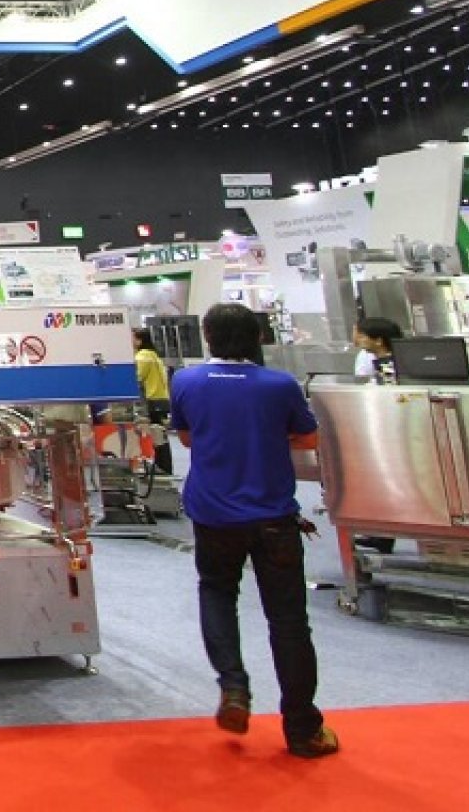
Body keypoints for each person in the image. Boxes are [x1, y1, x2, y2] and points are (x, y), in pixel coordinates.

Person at [169, 303, 338, 760]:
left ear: (207, 336)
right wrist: (266, 435)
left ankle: (234, 686)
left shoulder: (186, 381)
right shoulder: (279, 385)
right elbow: (308, 438)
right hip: (272, 516)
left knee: (217, 593)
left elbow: (187, 437)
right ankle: (302, 729)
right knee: (288, 620)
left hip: (213, 513)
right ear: (258, 337)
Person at [132, 329, 173, 475]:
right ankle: (164, 466)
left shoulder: (142, 356)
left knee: (157, 434)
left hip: (152, 399)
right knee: (160, 435)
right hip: (162, 398)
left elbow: (136, 377)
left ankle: (163, 467)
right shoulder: (155, 356)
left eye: (133, 338)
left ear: (140, 340)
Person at [352, 316, 402, 381]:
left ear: (378, 341)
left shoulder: (386, 363)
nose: (359, 341)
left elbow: (388, 384)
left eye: (362, 337)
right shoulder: (383, 359)